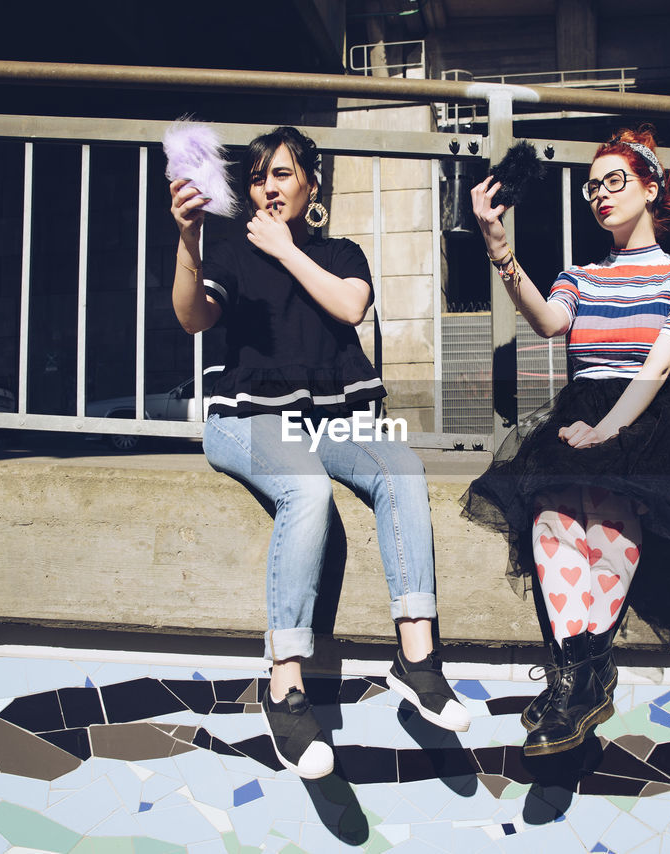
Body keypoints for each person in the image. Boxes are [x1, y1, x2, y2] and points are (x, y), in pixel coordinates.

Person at [169, 126, 470, 780]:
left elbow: (349, 305)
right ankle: (284, 686)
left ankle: (417, 660)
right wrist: (189, 241)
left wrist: (288, 250)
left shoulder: (339, 252)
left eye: (280, 174)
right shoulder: (231, 252)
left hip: (331, 416)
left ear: (311, 183)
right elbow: (193, 316)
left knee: (405, 469)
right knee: (305, 491)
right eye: (257, 178)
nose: (268, 188)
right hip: (247, 416)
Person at [464, 126, 670, 756]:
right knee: (550, 515)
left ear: (652, 187)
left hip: (653, 413)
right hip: (586, 403)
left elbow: (662, 357)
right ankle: (586, 672)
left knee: (609, 509)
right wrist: (497, 243)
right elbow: (548, 320)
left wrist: (609, 428)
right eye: (591, 186)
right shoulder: (582, 274)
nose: (599, 194)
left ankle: (575, 679)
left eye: (615, 181)